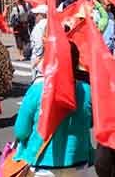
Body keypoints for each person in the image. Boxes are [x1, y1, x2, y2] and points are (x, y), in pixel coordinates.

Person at [14, 43, 93, 176]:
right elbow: (90, 122)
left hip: (41, 163)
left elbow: (21, 131)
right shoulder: (86, 90)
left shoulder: (37, 90)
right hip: (77, 162)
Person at [29, 4, 48, 81]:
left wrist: (38, 57)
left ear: (42, 15)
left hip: (39, 57)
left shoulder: (39, 26)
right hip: (48, 56)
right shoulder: (51, 23)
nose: (35, 17)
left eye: (36, 15)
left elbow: (38, 44)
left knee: (37, 79)